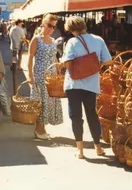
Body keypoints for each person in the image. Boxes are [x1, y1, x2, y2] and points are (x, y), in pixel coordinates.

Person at [61, 16, 112, 159]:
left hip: (73, 84)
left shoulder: (72, 41)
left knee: (76, 116)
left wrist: (62, 62)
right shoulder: (98, 40)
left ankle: (80, 150)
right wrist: (93, 66)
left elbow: (68, 63)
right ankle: (98, 147)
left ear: (71, 29)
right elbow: (108, 61)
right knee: (92, 115)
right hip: (91, 84)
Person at [28, 14, 63, 140]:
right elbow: (30, 57)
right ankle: (39, 129)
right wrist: (30, 76)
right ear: (43, 24)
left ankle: (42, 128)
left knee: (48, 102)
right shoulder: (36, 39)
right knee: (40, 102)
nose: (51, 28)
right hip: (40, 74)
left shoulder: (53, 41)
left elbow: (54, 57)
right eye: (49, 25)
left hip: (51, 75)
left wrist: (58, 71)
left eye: (53, 27)